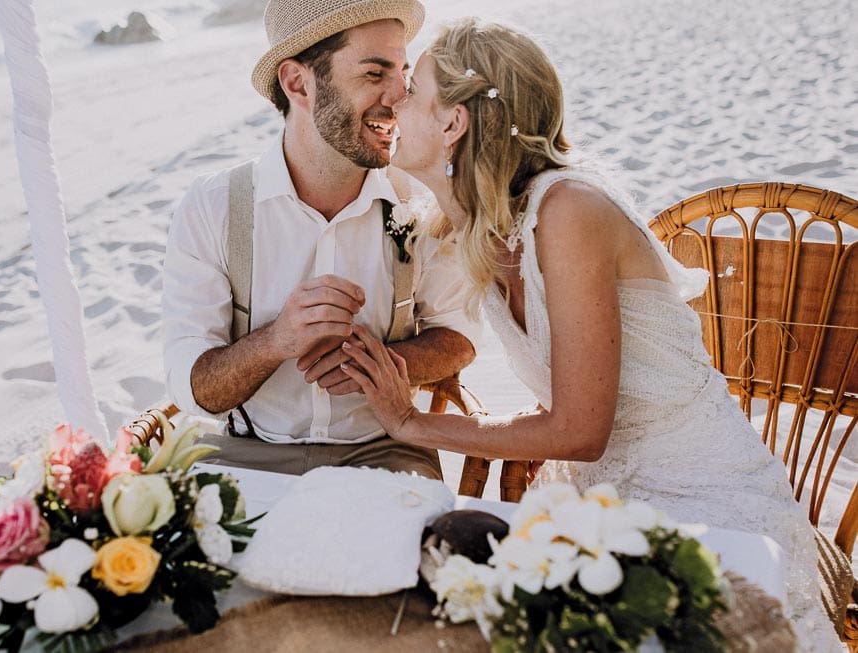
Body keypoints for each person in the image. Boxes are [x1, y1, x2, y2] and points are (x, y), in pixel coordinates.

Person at [340, 17, 838, 648]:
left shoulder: (568, 211)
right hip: (600, 497)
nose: (394, 99)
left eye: (411, 90)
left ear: (452, 124)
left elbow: (579, 430)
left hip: (708, 499)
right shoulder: (476, 221)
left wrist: (409, 424)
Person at [161, 0, 479, 481]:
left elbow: (459, 338)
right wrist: (275, 341)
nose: (401, 97)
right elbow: (195, 388)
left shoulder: (422, 199)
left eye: (403, 73)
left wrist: (379, 363)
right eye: (375, 74)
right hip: (247, 457)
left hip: (388, 454)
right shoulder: (213, 207)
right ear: (298, 84)